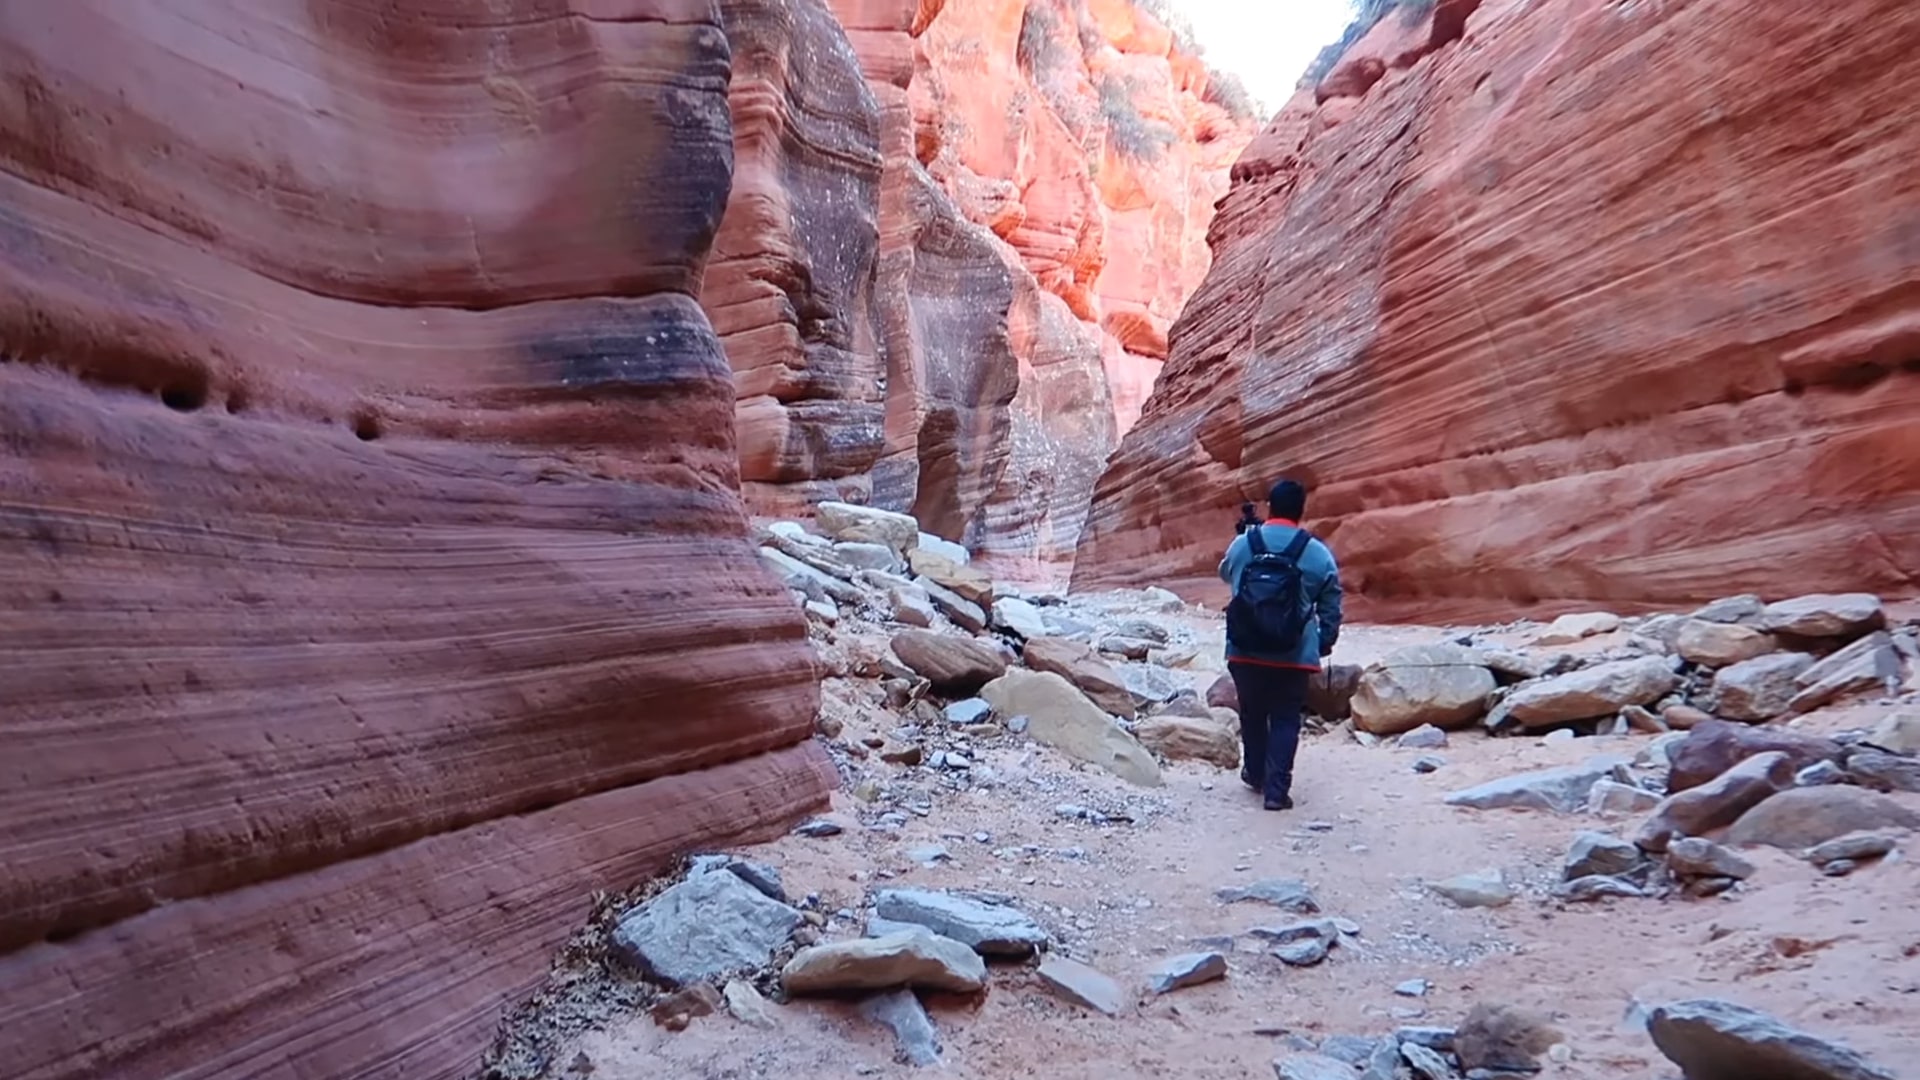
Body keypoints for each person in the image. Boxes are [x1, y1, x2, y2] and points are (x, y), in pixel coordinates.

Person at [1216, 478, 1344, 811]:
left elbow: (1226, 574)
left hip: (1244, 650)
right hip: (1294, 653)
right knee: (1286, 718)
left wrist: (1245, 543)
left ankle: (1255, 773)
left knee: (1252, 713)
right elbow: (1331, 599)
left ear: (1270, 506)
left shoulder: (1245, 543)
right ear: (1302, 511)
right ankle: (1276, 791)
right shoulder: (1316, 552)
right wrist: (1324, 641)